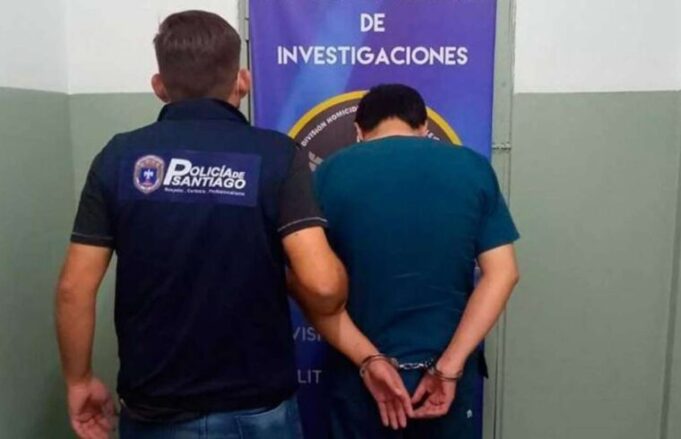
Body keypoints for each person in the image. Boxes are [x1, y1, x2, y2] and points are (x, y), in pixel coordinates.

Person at [54, 10, 347, 439]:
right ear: (242, 81)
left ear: (159, 86)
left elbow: (73, 289)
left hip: (155, 410)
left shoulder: (119, 157)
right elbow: (323, 287)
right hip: (257, 411)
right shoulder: (277, 155)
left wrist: (78, 381)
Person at [303, 84, 520, 438]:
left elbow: (310, 284)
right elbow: (504, 273)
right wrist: (449, 367)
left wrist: (369, 360)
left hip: (360, 377)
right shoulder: (472, 168)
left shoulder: (328, 174)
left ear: (359, 131)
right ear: (423, 126)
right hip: (447, 378)